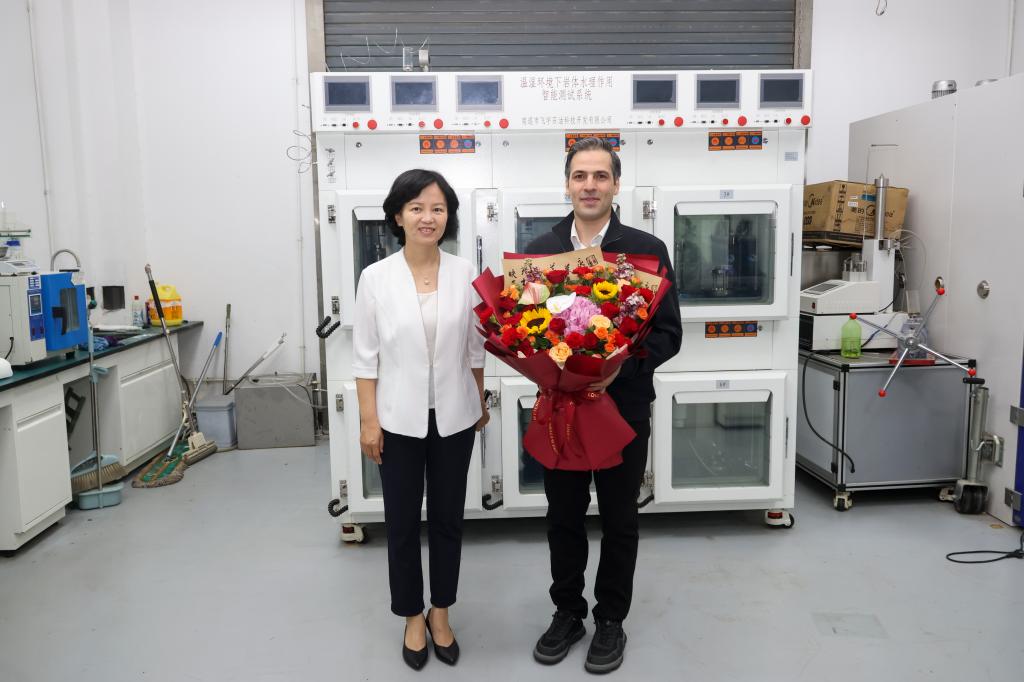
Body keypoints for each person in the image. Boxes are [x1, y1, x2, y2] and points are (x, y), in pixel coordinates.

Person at [525, 138, 682, 674]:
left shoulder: (645, 250)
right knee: (563, 516)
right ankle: (567, 612)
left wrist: (621, 370)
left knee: (619, 518)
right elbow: (524, 331)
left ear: (616, 185)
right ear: (566, 184)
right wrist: (549, 366)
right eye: (580, 176)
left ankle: (611, 618)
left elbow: (668, 334)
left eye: (599, 176)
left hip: (623, 408)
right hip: (561, 409)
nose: (589, 185)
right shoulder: (540, 250)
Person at [352, 168, 488, 671]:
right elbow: (365, 358)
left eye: (437, 208)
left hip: (455, 417)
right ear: (398, 216)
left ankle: (441, 612)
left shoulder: (466, 273)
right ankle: (412, 615)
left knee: (449, 519)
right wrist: (369, 421)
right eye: (416, 208)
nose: (427, 217)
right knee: (403, 522)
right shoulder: (375, 278)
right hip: (397, 420)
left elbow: (475, 348)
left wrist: (478, 400)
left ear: (448, 216)